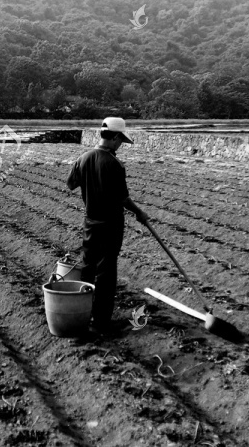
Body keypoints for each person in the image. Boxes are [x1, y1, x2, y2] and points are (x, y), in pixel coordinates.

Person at [66, 117, 150, 336]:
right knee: (106, 272)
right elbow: (123, 198)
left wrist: (90, 184)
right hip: (110, 225)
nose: (120, 144)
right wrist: (139, 212)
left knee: (87, 267)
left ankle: (80, 314)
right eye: (120, 140)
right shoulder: (114, 164)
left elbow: (70, 184)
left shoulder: (83, 157)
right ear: (113, 137)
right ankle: (101, 322)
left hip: (90, 222)